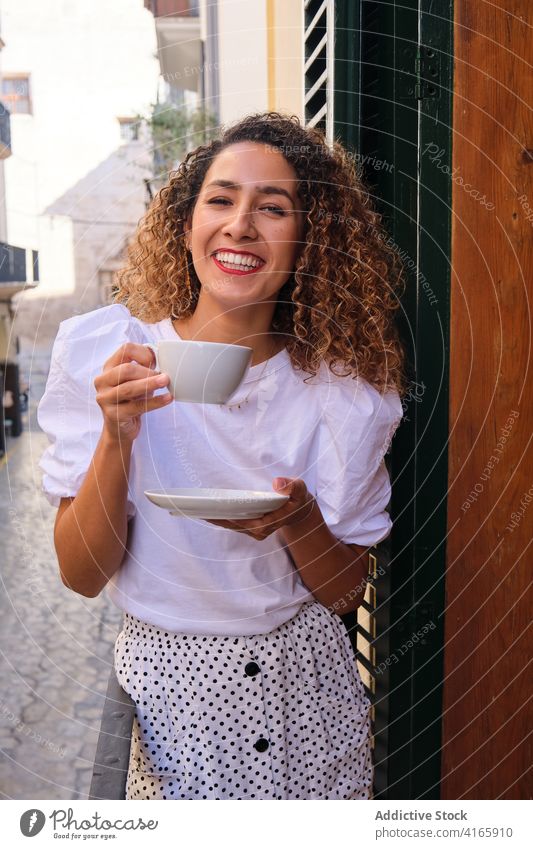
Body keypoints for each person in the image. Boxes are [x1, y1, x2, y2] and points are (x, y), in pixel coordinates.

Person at [37, 112, 406, 800]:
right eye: (220, 198)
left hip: (310, 705)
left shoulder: (339, 392)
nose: (241, 224)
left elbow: (345, 592)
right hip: (170, 699)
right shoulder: (110, 353)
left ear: (309, 242)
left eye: (273, 208)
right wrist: (117, 434)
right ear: (186, 224)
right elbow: (81, 574)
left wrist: (298, 521)